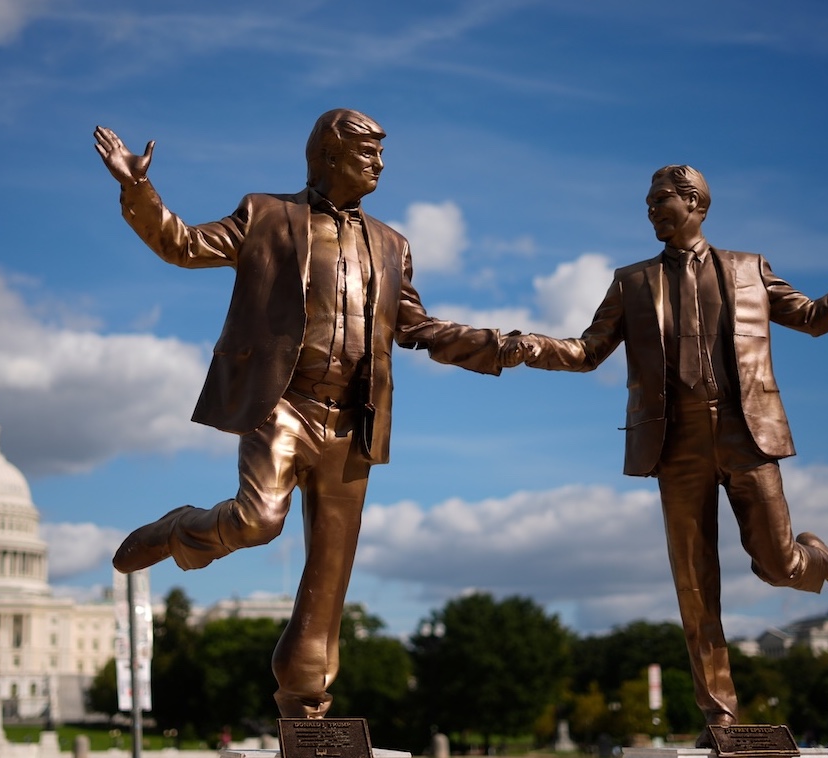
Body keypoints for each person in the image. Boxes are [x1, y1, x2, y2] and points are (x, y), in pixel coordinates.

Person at [93, 109, 529, 719]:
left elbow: (417, 327)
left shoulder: (392, 243)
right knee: (259, 520)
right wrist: (137, 188)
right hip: (284, 405)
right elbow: (183, 244)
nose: (380, 164)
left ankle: (306, 701)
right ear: (329, 154)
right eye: (368, 152)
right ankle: (178, 531)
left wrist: (497, 345)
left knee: (330, 570)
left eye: (381, 153)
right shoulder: (265, 214)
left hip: (354, 419)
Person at [516, 164, 828, 741]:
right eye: (648, 202)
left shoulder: (749, 269)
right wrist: (522, 345)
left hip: (746, 435)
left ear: (695, 203)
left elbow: (813, 318)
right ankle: (721, 717)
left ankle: (819, 561)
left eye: (662, 200)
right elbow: (587, 351)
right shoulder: (631, 282)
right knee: (694, 581)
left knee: (777, 565)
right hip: (674, 443)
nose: (652, 209)